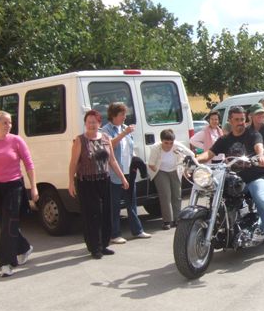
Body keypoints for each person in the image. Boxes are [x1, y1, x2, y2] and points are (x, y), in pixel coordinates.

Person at [197, 106, 264, 259]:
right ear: (230, 121)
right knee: (214, 194)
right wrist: (195, 160)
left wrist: (260, 156)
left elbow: (259, 146)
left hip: (254, 178)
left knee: (262, 201)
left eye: (242, 119)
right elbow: (209, 153)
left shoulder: (253, 134)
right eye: (237, 120)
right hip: (233, 179)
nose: (240, 122)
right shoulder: (225, 139)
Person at [68, 110, 129, 259]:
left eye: (94, 122)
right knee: (92, 215)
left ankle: (104, 245)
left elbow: (112, 160)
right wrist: (70, 182)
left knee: (106, 213)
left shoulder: (106, 138)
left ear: (99, 123)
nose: (91, 125)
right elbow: (73, 163)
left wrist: (123, 178)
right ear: (85, 124)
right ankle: (94, 247)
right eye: (89, 122)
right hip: (86, 182)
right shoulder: (80, 140)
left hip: (104, 180)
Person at [0, 111, 39, 277]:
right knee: (4, 225)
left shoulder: (16, 140)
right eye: (5, 122)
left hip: (13, 186)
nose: (8, 125)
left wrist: (34, 187)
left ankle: (6, 263)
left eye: (10, 122)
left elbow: (29, 164)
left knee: (9, 224)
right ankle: (24, 247)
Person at [101, 102, 151, 244]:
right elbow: (110, 145)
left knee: (131, 202)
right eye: (122, 114)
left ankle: (137, 230)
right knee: (115, 205)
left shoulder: (125, 127)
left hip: (128, 170)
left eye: (125, 114)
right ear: (113, 115)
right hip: (114, 173)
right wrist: (124, 134)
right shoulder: (105, 130)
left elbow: (129, 148)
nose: (125, 117)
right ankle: (114, 234)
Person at [147, 129, 195, 230]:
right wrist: (157, 173)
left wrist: (186, 169)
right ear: (161, 141)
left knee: (177, 195)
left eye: (171, 143)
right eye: (166, 143)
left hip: (175, 170)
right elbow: (151, 164)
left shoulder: (177, 146)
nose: (169, 145)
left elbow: (191, 154)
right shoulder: (156, 148)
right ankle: (167, 221)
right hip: (160, 171)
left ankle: (177, 218)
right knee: (165, 195)